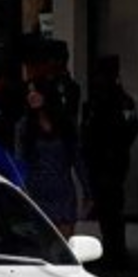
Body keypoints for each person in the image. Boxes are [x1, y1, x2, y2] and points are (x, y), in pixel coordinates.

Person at [82, 56, 138, 266]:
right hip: (100, 161)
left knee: (112, 208)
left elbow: (130, 129)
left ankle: (116, 252)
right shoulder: (97, 101)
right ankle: (112, 250)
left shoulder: (121, 101)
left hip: (113, 161)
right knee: (106, 208)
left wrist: (114, 150)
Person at [16, 79, 91, 238]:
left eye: (35, 91)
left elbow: (78, 159)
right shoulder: (24, 126)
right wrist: (21, 191)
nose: (31, 95)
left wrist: (87, 191)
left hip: (62, 191)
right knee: (43, 245)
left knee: (64, 248)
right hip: (37, 191)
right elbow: (19, 161)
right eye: (29, 92)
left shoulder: (66, 124)